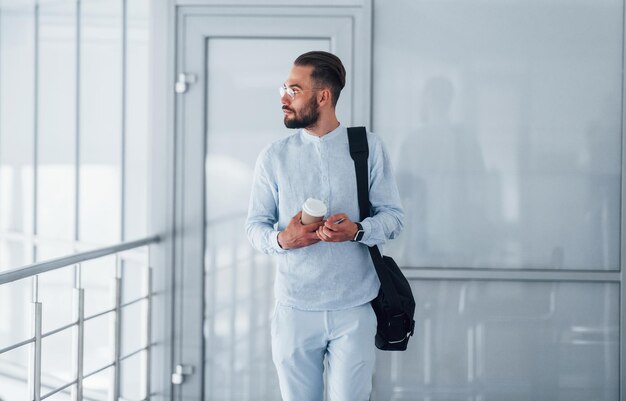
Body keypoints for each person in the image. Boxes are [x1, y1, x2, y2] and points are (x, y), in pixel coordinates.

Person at [245, 51, 404, 401]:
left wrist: (358, 230)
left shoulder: (367, 148)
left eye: (294, 90)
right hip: (294, 309)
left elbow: (393, 219)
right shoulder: (274, 157)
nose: (284, 98)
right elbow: (254, 227)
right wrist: (282, 240)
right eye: (284, 89)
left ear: (322, 96)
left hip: (356, 307)